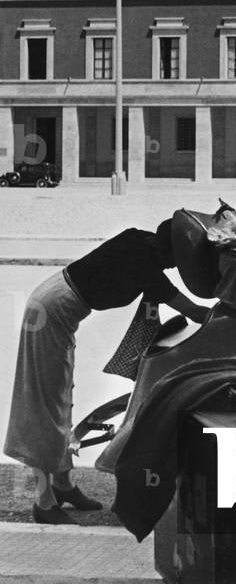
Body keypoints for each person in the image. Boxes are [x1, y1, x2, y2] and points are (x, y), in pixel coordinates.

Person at [3, 220, 209, 525]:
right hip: (52, 311)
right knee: (44, 405)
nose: (172, 268)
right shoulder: (147, 265)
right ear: (167, 252)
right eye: (174, 261)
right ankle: (43, 502)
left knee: (60, 398)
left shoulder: (141, 242)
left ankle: (63, 486)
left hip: (55, 304)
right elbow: (191, 309)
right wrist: (222, 316)